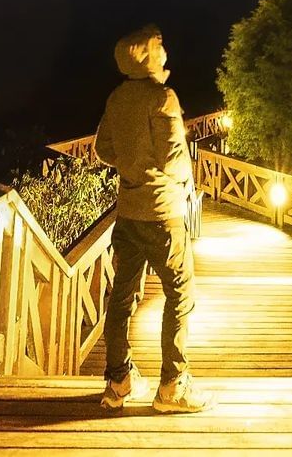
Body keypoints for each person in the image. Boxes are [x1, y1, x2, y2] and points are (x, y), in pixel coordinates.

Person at [94, 23, 210, 413]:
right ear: (148, 56)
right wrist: (182, 181)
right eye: (159, 47)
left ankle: (118, 381)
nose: (164, 51)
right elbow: (175, 159)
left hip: (128, 213)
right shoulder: (162, 97)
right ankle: (173, 386)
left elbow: (103, 149)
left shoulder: (116, 98)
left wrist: (132, 166)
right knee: (179, 295)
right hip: (163, 214)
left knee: (121, 297)